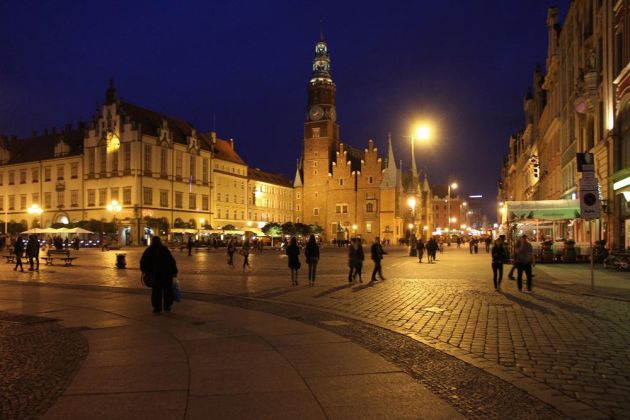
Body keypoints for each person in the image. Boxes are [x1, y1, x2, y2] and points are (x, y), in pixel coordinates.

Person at [140, 236, 178, 314]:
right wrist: (174, 271)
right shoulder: (164, 249)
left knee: (156, 291)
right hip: (166, 274)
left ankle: (157, 307)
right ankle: (167, 306)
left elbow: (143, 262)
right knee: (167, 291)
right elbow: (172, 261)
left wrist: (145, 271)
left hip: (155, 275)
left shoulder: (149, 250)